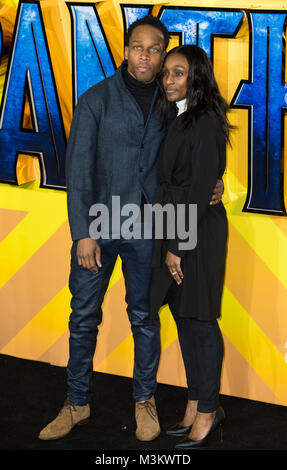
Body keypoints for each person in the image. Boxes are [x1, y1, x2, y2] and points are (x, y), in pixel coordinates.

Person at [38, 17, 223, 442]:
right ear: (125, 51)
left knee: (144, 318)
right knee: (83, 317)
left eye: (155, 49)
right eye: (137, 47)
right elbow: (79, 171)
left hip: (148, 230)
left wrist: (215, 182)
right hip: (99, 228)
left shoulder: (170, 100)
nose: (146, 55)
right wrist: (82, 232)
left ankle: (145, 402)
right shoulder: (95, 100)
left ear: (162, 55)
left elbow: (193, 154)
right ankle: (76, 404)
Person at [149, 45, 230, 449]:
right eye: (166, 73)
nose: (168, 80)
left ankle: (209, 411)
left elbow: (200, 190)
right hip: (178, 226)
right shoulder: (180, 116)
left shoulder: (204, 122)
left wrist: (177, 247)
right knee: (184, 317)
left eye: (178, 73)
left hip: (195, 234)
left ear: (196, 76)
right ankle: (196, 400)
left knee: (199, 321)